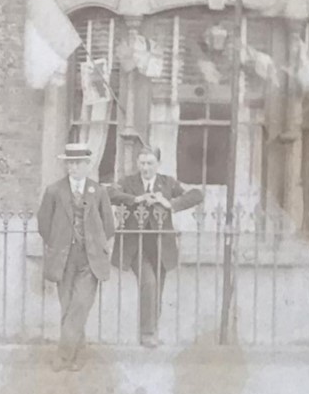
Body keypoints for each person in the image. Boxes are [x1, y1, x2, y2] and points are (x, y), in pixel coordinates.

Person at [108, 145, 204, 348]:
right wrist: (136, 199)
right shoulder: (128, 182)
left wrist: (171, 203)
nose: (145, 168)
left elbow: (197, 194)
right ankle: (147, 333)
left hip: (161, 246)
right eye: (142, 163)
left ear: (158, 164)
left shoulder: (167, 183)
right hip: (135, 246)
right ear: (137, 163)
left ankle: (152, 332)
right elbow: (109, 193)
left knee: (157, 290)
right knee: (149, 283)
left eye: (150, 163)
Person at [36, 142, 115, 372]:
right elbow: (44, 224)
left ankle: (62, 356)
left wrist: (93, 243)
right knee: (68, 306)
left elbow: (108, 225)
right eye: (70, 163)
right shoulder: (54, 190)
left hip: (90, 258)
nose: (73, 167)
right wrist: (59, 243)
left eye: (78, 163)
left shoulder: (98, 191)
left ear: (88, 165)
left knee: (80, 304)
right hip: (64, 256)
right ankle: (77, 355)